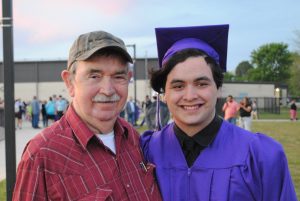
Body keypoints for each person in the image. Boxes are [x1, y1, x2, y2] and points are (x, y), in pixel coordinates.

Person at [140, 24, 297, 200]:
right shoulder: (146, 151)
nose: (190, 96)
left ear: (219, 88)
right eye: (178, 86)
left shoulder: (261, 156)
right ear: (164, 93)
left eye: (201, 84)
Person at [13, 30, 162, 201]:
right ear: (70, 82)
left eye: (118, 76)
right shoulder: (42, 156)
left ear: (128, 78)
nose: (108, 90)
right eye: (94, 76)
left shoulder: (133, 138)